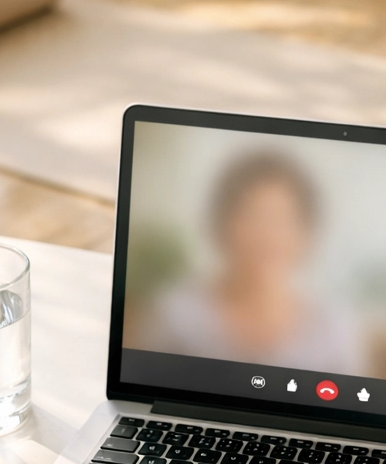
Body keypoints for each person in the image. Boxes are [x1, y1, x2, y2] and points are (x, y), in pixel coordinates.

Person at [136, 151, 365, 373]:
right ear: (222, 224)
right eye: (252, 216)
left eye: (282, 219)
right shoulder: (179, 315)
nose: (267, 235)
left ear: (306, 234)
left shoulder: (334, 328)